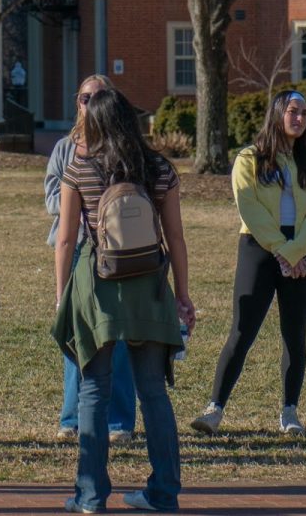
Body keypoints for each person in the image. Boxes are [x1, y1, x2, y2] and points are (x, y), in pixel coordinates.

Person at [52, 88, 195, 513]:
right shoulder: (159, 168)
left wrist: (62, 296)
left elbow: (65, 239)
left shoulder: (80, 167)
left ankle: (91, 495)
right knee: (153, 391)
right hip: (150, 285)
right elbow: (176, 238)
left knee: (94, 390)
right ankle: (164, 492)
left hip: (99, 286)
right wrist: (183, 295)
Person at [191, 90, 306, 437]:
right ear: (277, 114)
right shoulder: (249, 159)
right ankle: (214, 409)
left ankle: (289, 412)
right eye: (292, 111)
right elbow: (249, 209)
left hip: (303, 249)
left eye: (304, 113)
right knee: (242, 331)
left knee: (294, 334)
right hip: (259, 247)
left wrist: (297, 251)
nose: (299, 118)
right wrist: (281, 248)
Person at [46, 74, 137, 444]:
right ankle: (72, 419)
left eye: (99, 97)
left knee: (117, 337)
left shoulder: (126, 148)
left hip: (119, 254)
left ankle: (118, 422)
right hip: (80, 251)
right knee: (77, 337)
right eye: (85, 98)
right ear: (76, 102)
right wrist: (81, 195)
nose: (91, 105)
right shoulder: (66, 149)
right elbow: (52, 198)